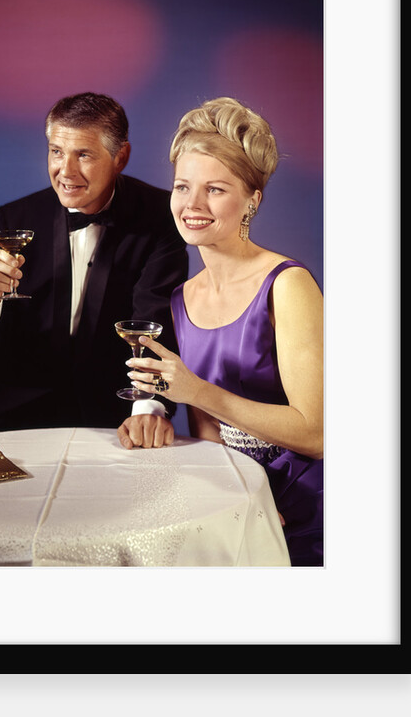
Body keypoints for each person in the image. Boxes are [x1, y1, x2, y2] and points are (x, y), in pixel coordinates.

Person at [118, 96, 323, 567]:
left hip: (309, 509)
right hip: (237, 506)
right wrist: (233, 499)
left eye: (214, 189)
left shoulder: (288, 285)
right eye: (182, 187)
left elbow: (316, 434)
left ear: (252, 198)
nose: (191, 205)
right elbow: (210, 437)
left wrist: (196, 391)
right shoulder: (182, 297)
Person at [0, 92, 188, 437]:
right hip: (12, 413)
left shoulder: (161, 217)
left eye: (84, 155)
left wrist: (148, 407)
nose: (65, 171)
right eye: (57, 152)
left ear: (120, 156)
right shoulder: (15, 217)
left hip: (112, 415)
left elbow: (154, 321)